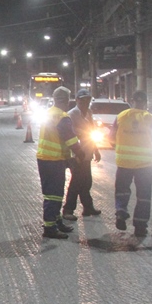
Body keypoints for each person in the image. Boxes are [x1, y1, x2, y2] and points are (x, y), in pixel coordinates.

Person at [37, 86, 87, 239]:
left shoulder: (48, 113)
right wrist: (80, 153)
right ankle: (50, 227)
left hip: (46, 158)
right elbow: (70, 138)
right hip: (54, 160)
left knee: (53, 193)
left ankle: (57, 221)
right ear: (66, 100)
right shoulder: (62, 116)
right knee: (54, 195)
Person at [112, 90, 152, 238]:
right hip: (144, 165)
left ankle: (121, 212)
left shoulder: (121, 116)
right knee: (143, 195)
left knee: (122, 190)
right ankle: (140, 227)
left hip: (124, 163)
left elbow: (111, 136)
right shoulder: (150, 118)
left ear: (132, 101)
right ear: (145, 102)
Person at [62, 89, 102, 221]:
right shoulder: (72, 114)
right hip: (76, 155)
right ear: (77, 100)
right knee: (76, 182)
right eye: (82, 100)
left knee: (86, 181)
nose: (85, 103)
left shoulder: (89, 113)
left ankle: (88, 207)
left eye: (87, 100)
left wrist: (96, 150)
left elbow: (91, 132)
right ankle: (68, 210)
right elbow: (70, 136)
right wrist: (76, 153)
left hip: (87, 153)